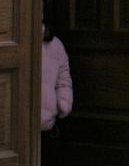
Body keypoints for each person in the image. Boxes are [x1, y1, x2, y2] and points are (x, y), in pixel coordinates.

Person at [41, 17, 74, 160]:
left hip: (46, 124)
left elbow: (63, 79)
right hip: (16, 127)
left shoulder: (55, 45)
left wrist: (63, 102)